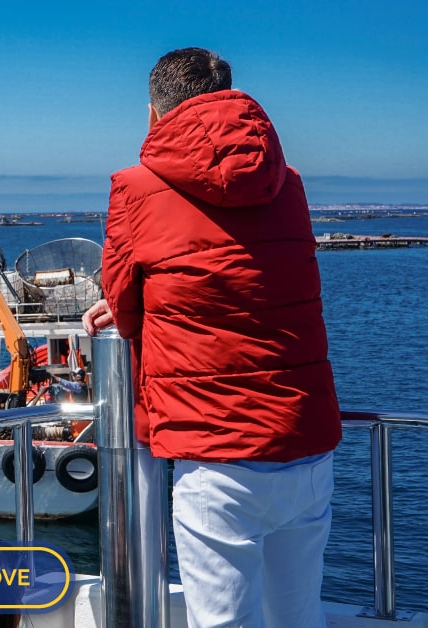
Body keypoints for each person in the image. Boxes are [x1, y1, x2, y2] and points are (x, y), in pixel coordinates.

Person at [81, 47, 341, 628]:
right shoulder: (288, 182)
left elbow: (126, 309)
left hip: (216, 446)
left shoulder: (134, 186)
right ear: (230, 98)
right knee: (300, 617)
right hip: (305, 440)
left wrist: (125, 301)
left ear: (154, 114)